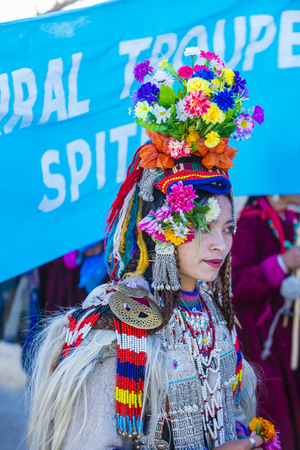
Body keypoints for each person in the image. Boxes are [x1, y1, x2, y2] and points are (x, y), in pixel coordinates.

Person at [28, 50, 266, 450]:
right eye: (201, 228)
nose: (220, 244)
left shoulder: (214, 313)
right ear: (165, 230)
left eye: (228, 229)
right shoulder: (121, 326)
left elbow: (230, 418)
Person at [232, 194, 300, 450]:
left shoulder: (294, 220)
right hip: (263, 338)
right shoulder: (249, 222)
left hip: (292, 332)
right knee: (275, 411)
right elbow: (235, 284)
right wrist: (282, 263)